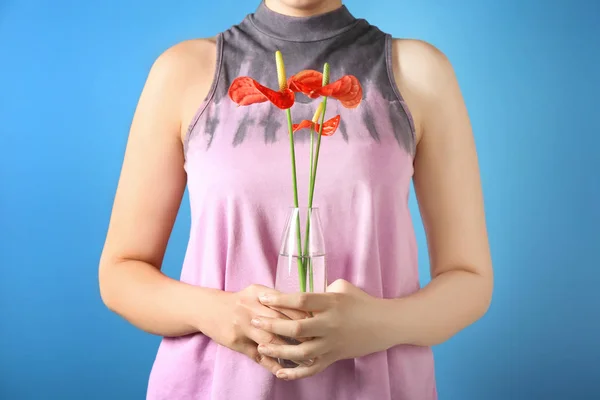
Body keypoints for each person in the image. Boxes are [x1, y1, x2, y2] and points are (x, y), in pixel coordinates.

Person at [98, 0, 493, 398]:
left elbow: (469, 280)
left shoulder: (417, 73)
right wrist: (216, 312)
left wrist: (380, 324)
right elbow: (120, 274)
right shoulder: (184, 71)